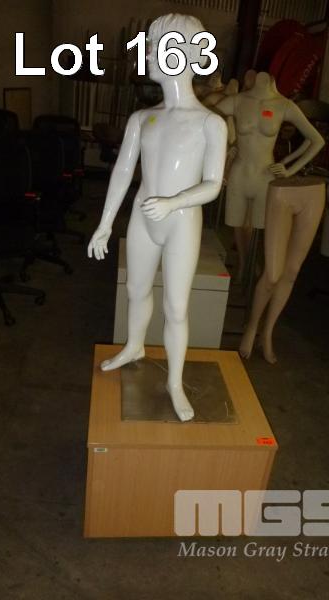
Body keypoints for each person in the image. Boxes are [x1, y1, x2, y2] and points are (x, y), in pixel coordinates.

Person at [88, 14, 227, 421]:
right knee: (135, 289)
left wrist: (174, 202)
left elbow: (213, 184)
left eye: (154, 47)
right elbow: (122, 173)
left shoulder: (210, 123)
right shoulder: (141, 118)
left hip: (181, 220)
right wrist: (105, 224)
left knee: (177, 307)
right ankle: (134, 346)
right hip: (143, 217)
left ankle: (175, 382)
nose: (147, 55)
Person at [216, 72, 323, 282]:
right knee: (238, 224)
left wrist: (289, 167)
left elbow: (316, 140)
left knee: (259, 228)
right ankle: (244, 264)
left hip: (265, 176)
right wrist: (226, 146)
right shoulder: (237, 101)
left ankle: (252, 266)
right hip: (239, 173)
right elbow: (206, 119)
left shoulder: (284, 105)